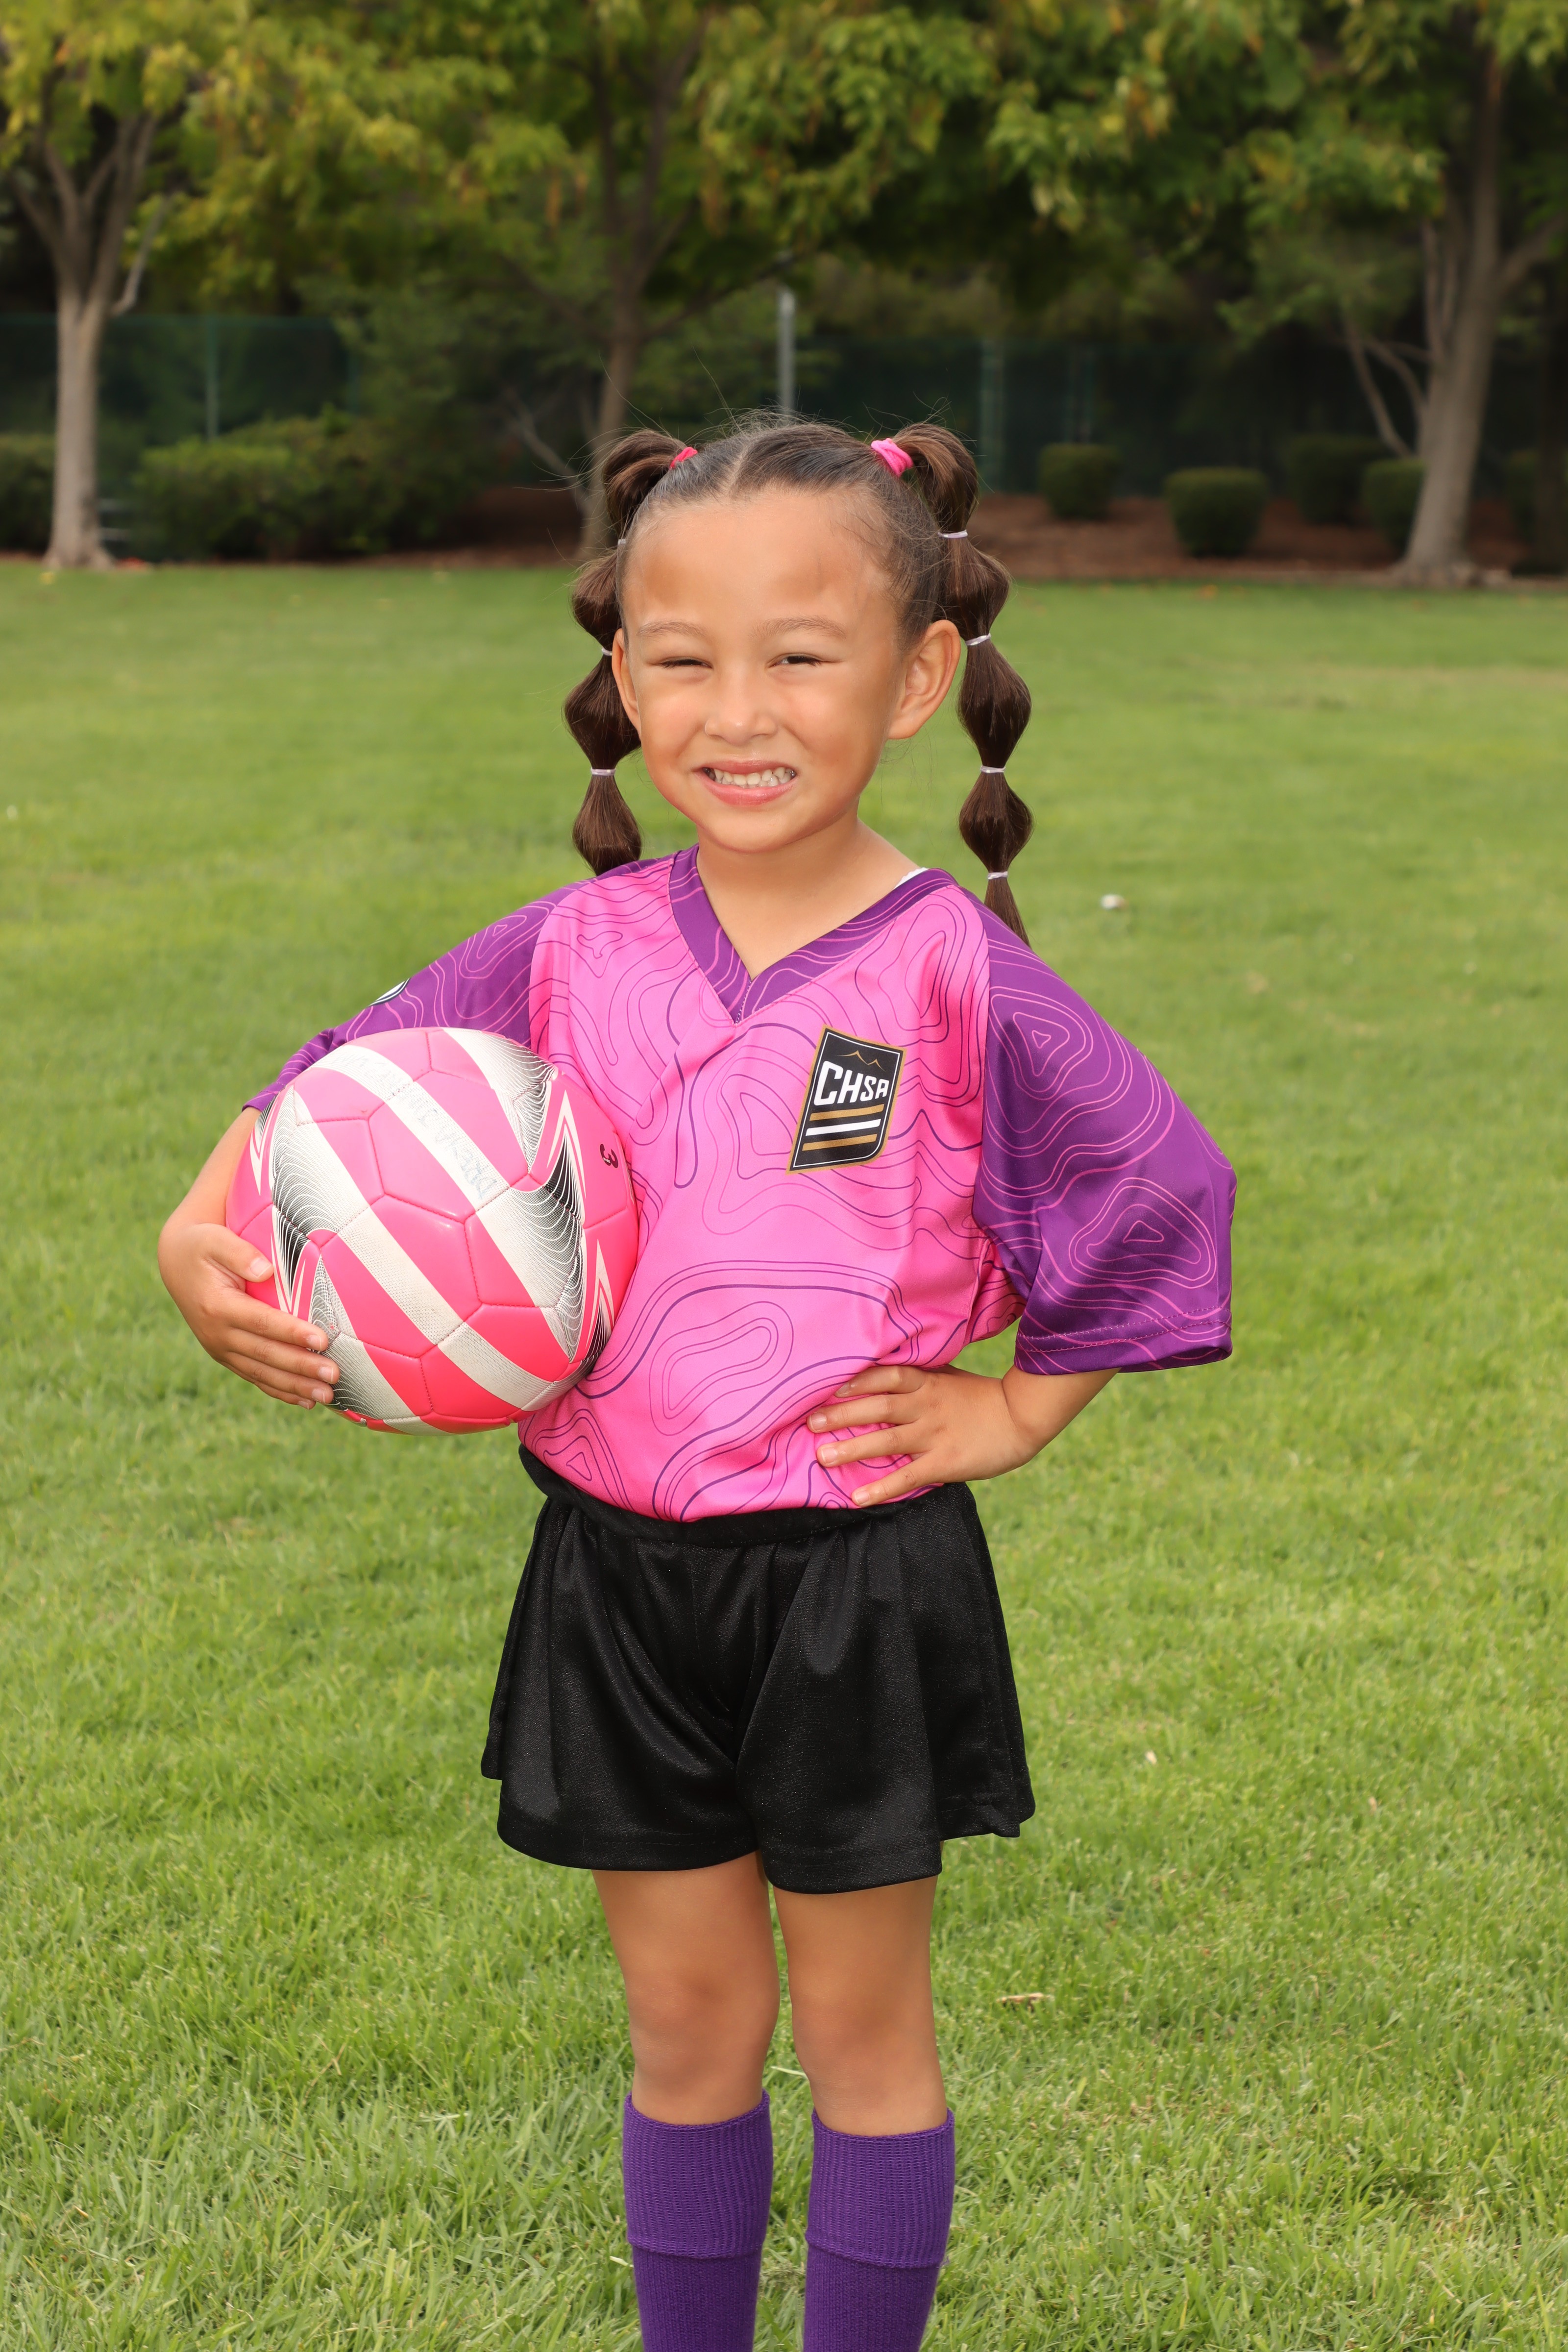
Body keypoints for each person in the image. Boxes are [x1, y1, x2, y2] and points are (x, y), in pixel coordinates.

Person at [159, 418, 1234, 2352]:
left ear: (916, 676)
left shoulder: (947, 969)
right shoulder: (573, 947)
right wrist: (195, 1234)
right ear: (622, 677)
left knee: (861, 2034)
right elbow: (335, 1088)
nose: (738, 713)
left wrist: (1014, 1407)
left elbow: (1151, 1179)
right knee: (685, 2026)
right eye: (682, 659)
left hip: (847, 1584)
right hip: (615, 1573)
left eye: (799, 656)